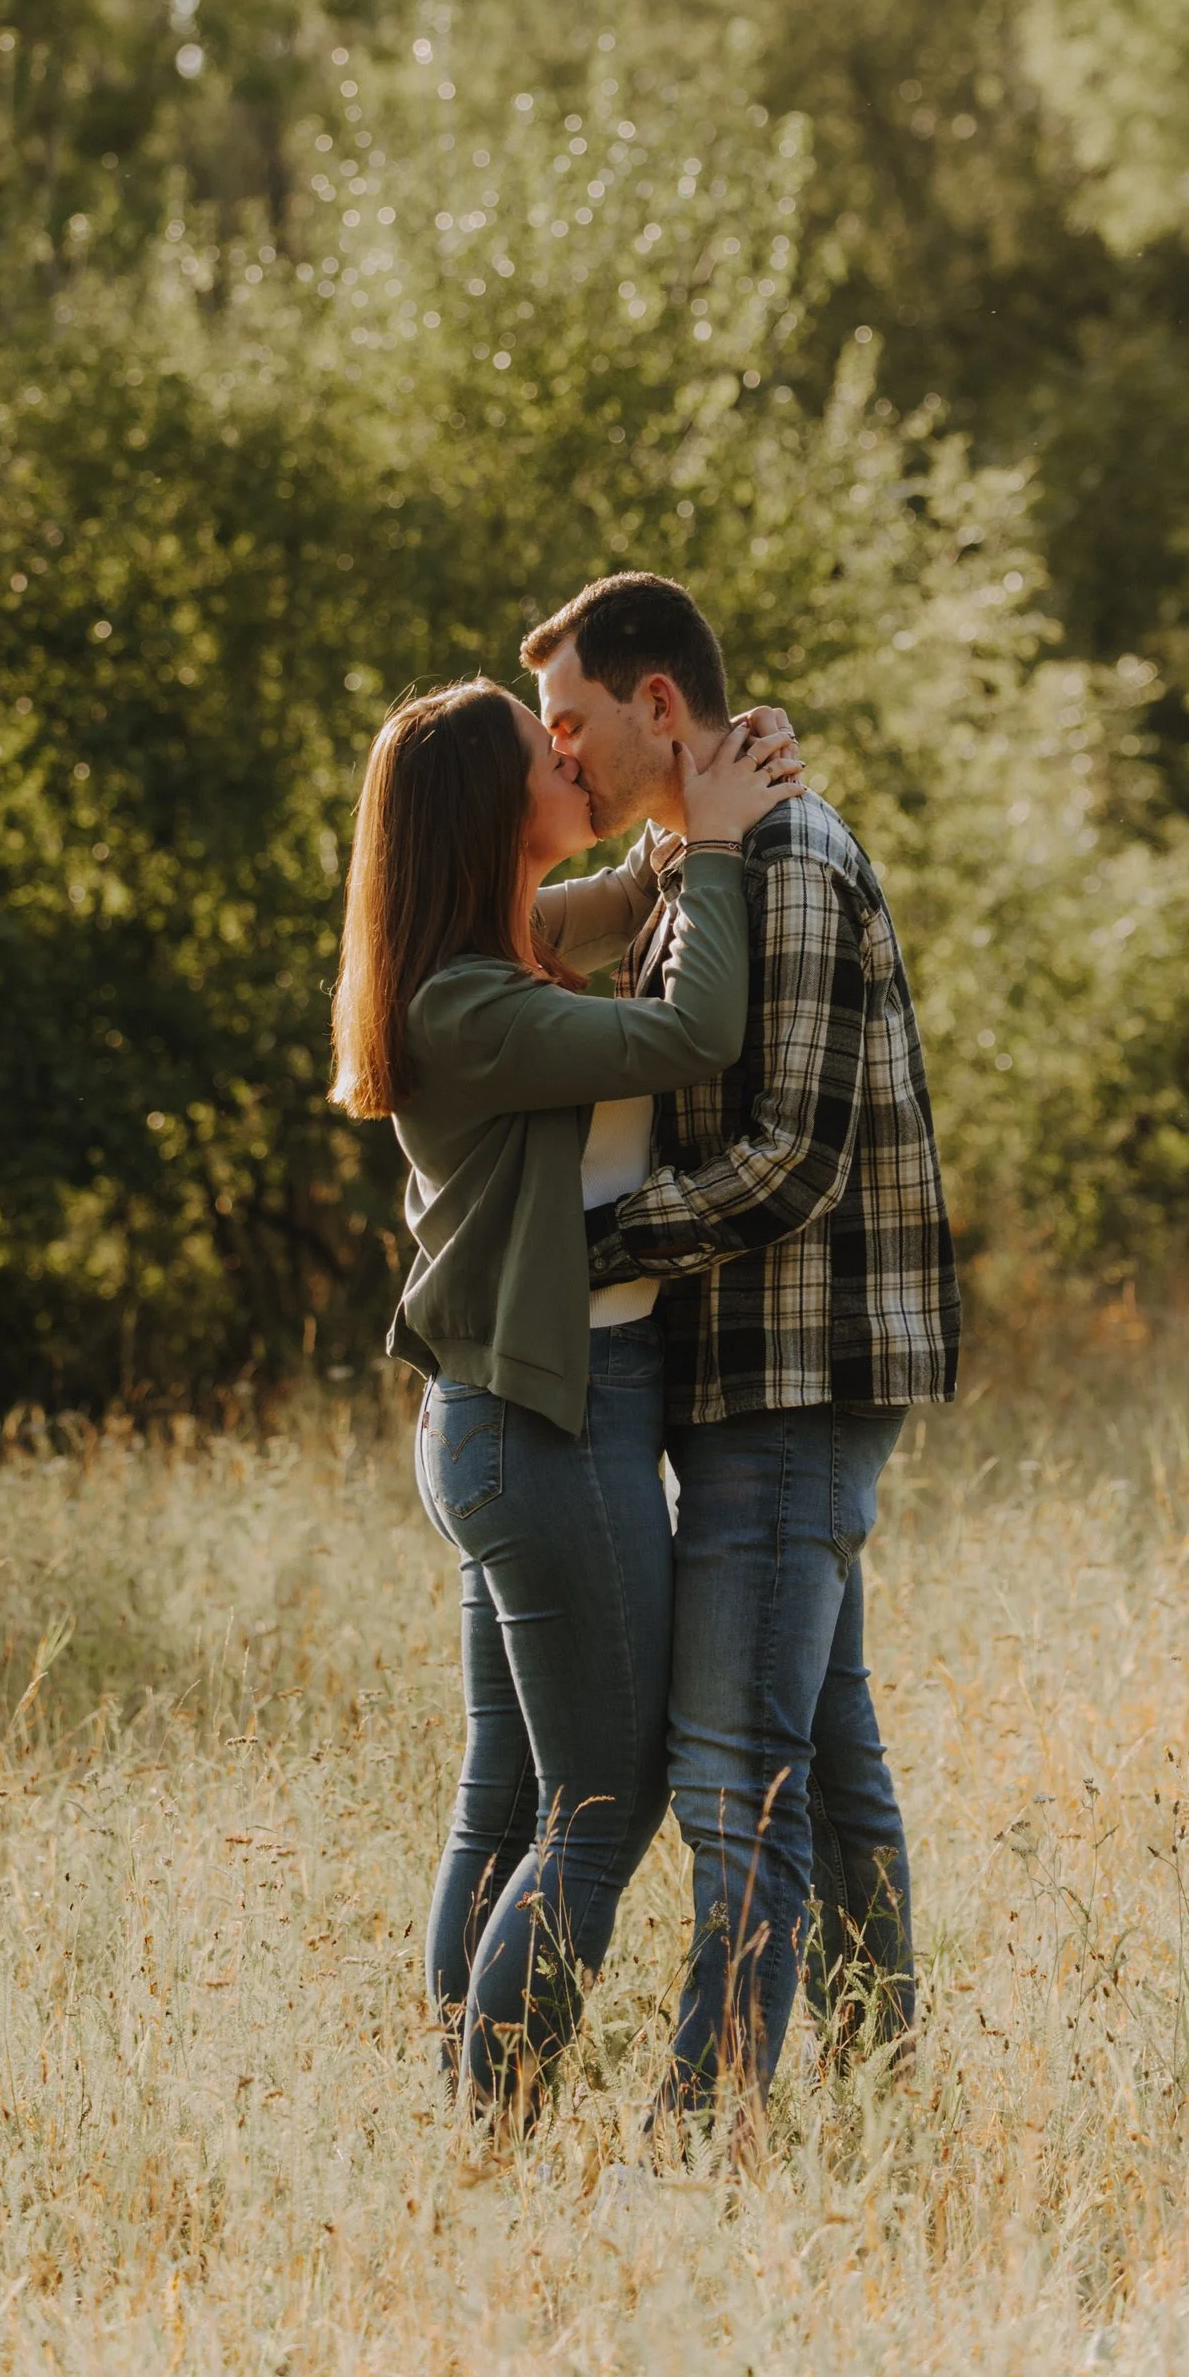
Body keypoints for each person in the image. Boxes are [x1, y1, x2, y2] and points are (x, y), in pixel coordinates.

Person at [525, 570, 960, 2119]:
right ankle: (885, 2087)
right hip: (749, 1375)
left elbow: (793, 1156)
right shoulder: (703, 852)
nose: (558, 752)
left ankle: (700, 2133)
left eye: (571, 721)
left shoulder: (780, 857)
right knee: (823, 1765)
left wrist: (581, 1254)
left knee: (735, 1779)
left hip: (798, 1373)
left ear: (659, 706)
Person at [329, 677, 796, 2111]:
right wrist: (715, 855)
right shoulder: (469, 1000)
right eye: (550, 756)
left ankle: (462, 2101)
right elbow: (691, 1034)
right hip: (550, 1421)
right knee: (603, 1807)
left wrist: (679, 818)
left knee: (514, 1796)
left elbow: (604, 901)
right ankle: (495, 2116)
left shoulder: (490, 946)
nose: (574, 763)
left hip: (507, 1422)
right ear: (495, 801)